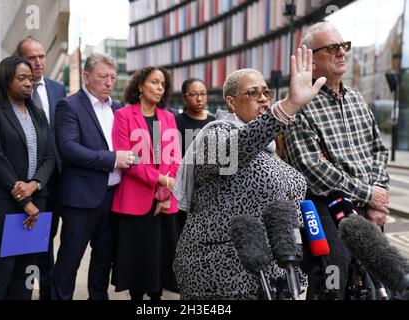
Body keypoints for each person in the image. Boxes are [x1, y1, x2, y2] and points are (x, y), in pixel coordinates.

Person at [173, 46, 327, 300]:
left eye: (266, 92)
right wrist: (288, 106)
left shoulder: (270, 149)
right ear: (231, 102)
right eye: (253, 93)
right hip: (220, 271)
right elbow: (236, 149)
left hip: (275, 275)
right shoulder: (216, 134)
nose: (264, 98)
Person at [283, 22, 390, 300]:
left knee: (382, 279)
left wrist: (378, 196)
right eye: (332, 48)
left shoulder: (356, 98)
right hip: (325, 207)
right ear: (311, 59)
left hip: (366, 203)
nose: (342, 52)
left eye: (344, 46)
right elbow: (312, 169)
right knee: (334, 279)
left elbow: (378, 150)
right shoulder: (300, 105)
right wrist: (368, 193)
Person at [52, 53, 133, 300]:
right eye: (102, 77)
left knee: (103, 259)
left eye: (112, 77)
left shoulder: (118, 108)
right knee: (69, 260)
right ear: (86, 77)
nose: (109, 82)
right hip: (81, 200)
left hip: (114, 197)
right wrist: (112, 159)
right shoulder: (69, 105)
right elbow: (69, 148)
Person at [0, 56, 55, 300]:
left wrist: (34, 184)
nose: (28, 83)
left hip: (36, 199)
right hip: (1, 202)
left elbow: (50, 157)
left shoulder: (37, 112)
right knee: (3, 267)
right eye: (21, 78)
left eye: (30, 78)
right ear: (5, 80)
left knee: (26, 270)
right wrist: (24, 201)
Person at [111, 66, 181, 300]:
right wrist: (159, 179)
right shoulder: (123, 115)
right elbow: (127, 159)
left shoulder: (168, 117)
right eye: (154, 82)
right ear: (140, 86)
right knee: (137, 259)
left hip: (164, 201)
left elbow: (174, 158)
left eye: (162, 84)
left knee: (161, 259)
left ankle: (156, 299)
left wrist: (164, 193)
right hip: (135, 199)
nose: (159, 88)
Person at [16, 37, 66, 300]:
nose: (38, 63)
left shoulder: (58, 89)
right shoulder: (13, 93)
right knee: (28, 242)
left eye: (41, 56)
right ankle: (24, 291)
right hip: (23, 180)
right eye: (31, 58)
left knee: (48, 238)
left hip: (55, 178)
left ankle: (47, 293)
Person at [174, 78, 215, 229]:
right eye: (193, 94)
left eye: (203, 94)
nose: (199, 99)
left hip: (210, 188)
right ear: (184, 97)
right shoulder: (177, 122)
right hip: (184, 188)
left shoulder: (214, 122)